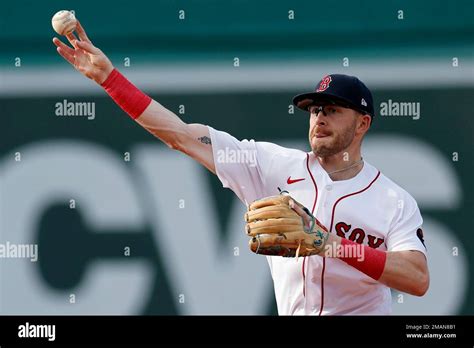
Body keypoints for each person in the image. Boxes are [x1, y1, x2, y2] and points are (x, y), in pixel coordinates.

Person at [53, 21, 429, 315]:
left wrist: (330, 244)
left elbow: (417, 278)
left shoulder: (392, 200)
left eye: (332, 110)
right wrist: (109, 79)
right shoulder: (270, 166)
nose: (319, 118)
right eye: (314, 110)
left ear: (363, 123)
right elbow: (180, 135)